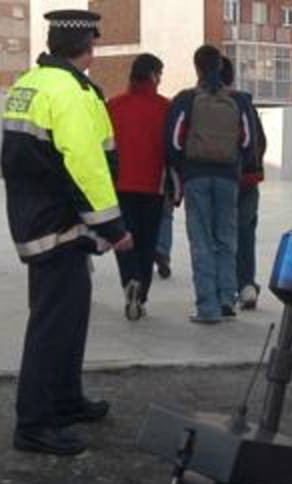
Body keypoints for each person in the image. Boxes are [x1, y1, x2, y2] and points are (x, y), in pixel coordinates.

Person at [1, 9, 133, 456]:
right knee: (53, 323)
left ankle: (65, 399)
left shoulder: (29, 84)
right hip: (58, 222)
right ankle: (35, 423)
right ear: (89, 47)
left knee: (67, 316)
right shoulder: (69, 92)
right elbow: (84, 162)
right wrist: (113, 226)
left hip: (39, 217)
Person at [165, 44, 256, 323]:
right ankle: (227, 301)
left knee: (201, 241)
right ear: (220, 66)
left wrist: (182, 171)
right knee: (227, 240)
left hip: (196, 177)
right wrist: (235, 164)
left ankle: (207, 307)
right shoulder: (239, 100)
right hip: (228, 177)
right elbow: (249, 142)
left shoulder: (185, 99)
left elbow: (173, 142)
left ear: (197, 67)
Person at [107, 53, 170, 321]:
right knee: (147, 241)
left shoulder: (114, 105)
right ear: (153, 75)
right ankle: (141, 293)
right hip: (153, 186)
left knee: (123, 240)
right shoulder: (165, 107)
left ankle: (128, 281)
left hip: (120, 185)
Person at [220, 57, 267, 310]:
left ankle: (223, 289)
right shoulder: (244, 102)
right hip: (247, 179)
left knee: (219, 234)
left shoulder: (198, 100)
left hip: (216, 177)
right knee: (245, 230)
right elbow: (259, 141)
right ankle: (246, 284)